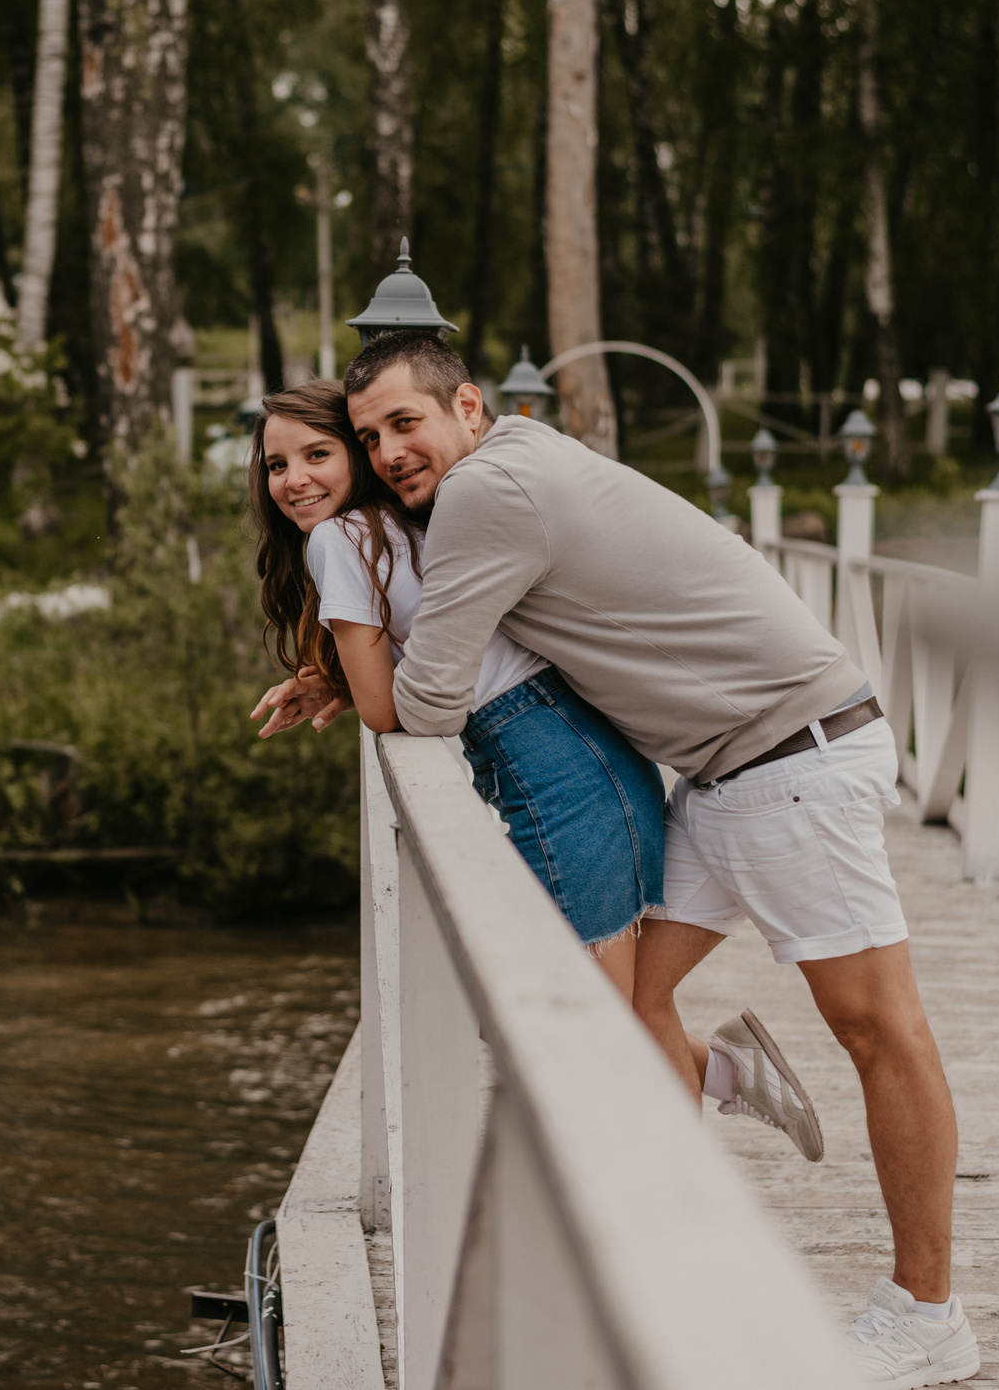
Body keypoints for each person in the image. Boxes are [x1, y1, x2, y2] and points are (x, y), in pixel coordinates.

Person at [318, 330, 978, 1390]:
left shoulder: (484, 492)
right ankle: (718, 1110)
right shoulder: (519, 461)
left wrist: (355, 655)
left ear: (469, 407)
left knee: (879, 1030)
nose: (388, 452)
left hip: (789, 761)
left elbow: (430, 702)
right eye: (367, 438)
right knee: (620, 1004)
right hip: (721, 774)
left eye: (405, 422)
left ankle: (928, 1311)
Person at [243, 381, 824, 1166]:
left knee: (573, 1026)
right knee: (578, 1013)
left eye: (318, 454)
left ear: (358, 454)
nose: (294, 479)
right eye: (277, 464)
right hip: (588, 759)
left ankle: (666, 1202)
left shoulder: (337, 542)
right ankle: (725, 1075)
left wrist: (350, 685)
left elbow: (386, 709)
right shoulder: (414, 521)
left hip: (557, 780)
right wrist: (343, 680)